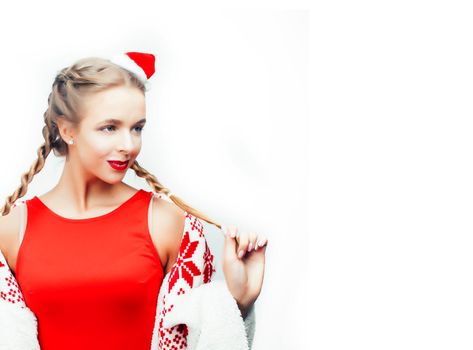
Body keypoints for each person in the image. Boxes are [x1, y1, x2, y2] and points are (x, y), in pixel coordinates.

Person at [0, 52, 268, 349]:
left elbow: (200, 338)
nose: (129, 145)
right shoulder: (12, 229)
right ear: (67, 130)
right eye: (110, 127)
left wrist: (239, 303)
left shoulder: (166, 222)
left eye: (137, 128)